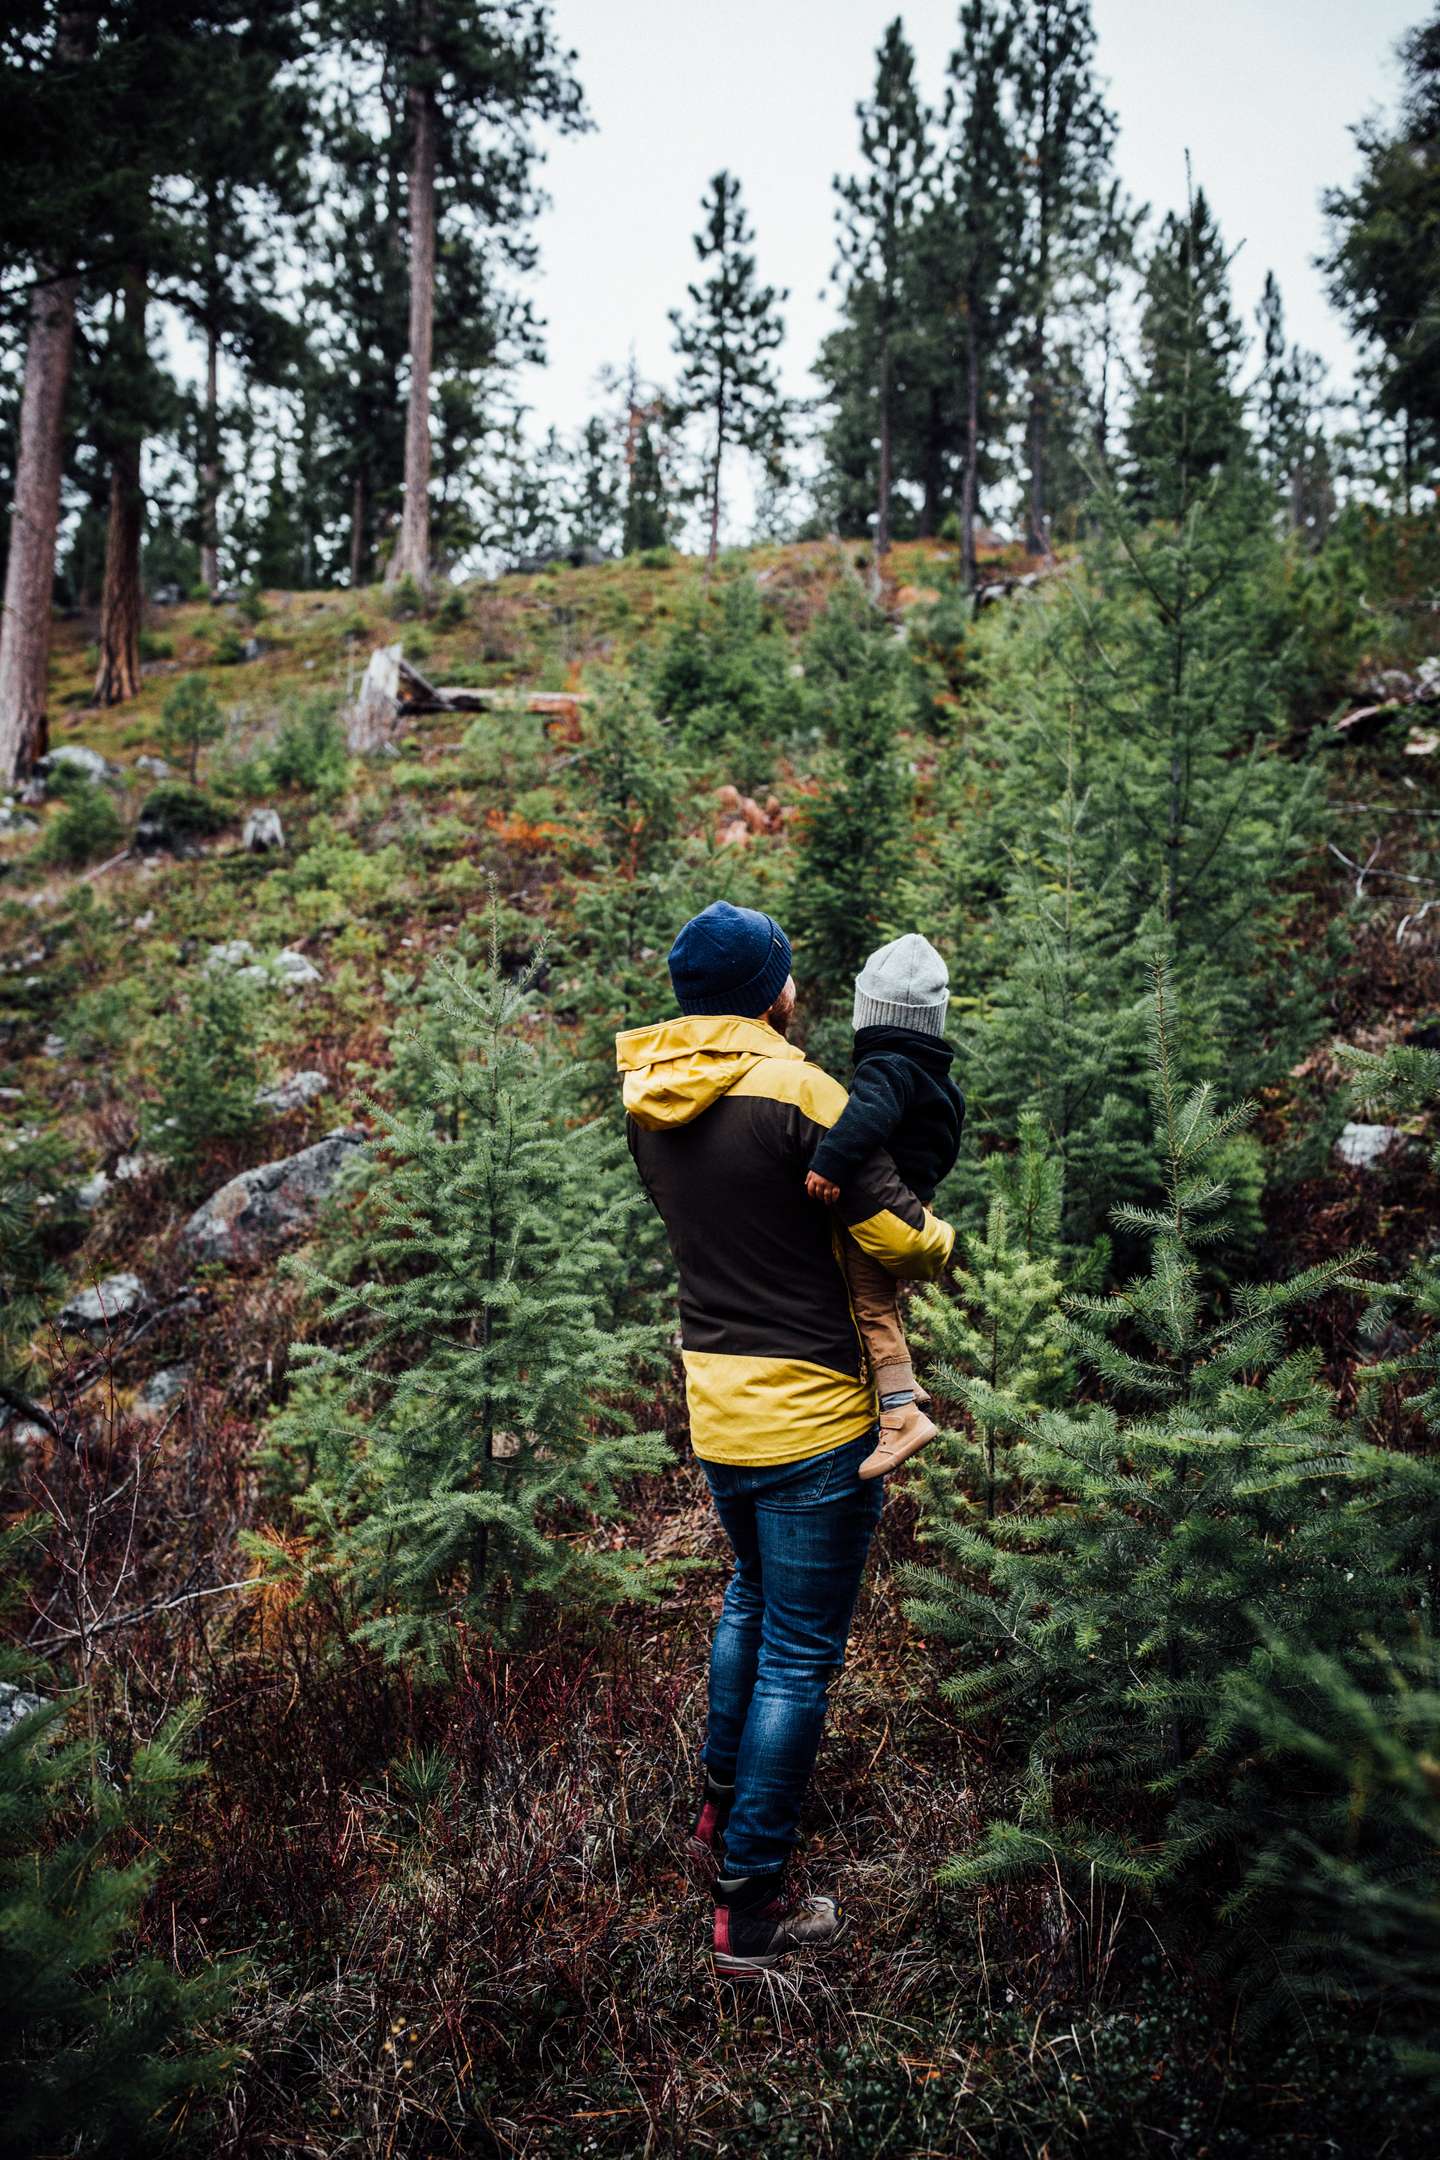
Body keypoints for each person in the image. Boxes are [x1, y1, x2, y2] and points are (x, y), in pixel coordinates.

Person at [616, 900, 954, 1978]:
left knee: (751, 1603)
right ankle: (751, 1902)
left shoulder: (648, 1099)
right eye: (790, 972)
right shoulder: (805, 1091)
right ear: (776, 992)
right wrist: (943, 1239)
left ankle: (721, 1812)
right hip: (812, 1411)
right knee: (799, 1655)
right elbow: (898, 1234)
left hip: (716, 1401)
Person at [804, 933, 965, 1481]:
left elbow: (866, 1116)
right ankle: (904, 1376)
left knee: (869, 1303)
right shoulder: (933, 1073)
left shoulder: (886, 1067)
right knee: (883, 1300)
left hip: (882, 1202)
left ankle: (900, 1412)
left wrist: (831, 1162)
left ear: (869, 1013)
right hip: (913, 1196)